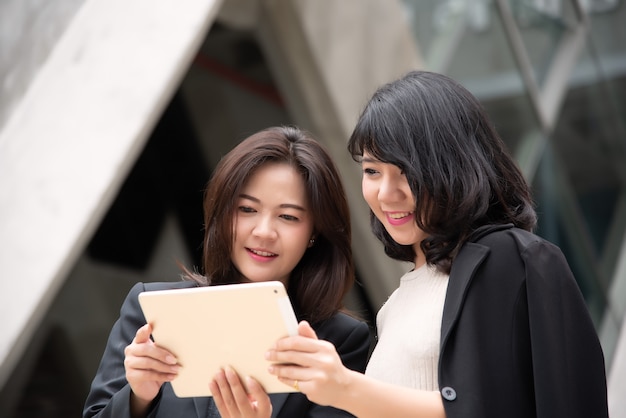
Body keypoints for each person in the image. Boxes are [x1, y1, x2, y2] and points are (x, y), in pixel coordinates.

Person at [266, 70, 609, 417]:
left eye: (406, 172)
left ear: (454, 167)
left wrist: (345, 388)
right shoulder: (396, 304)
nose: (387, 193)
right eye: (372, 171)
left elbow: (492, 406)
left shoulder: (504, 258)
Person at [83, 126, 371, 418]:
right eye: (247, 209)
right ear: (223, 213)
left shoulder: (337, 342)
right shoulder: (152, 309)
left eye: (288, 216)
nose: (263, 231)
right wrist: (138, 397)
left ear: (315, 232)